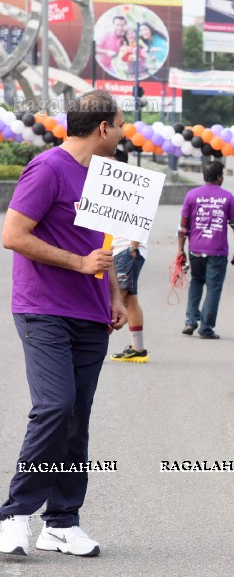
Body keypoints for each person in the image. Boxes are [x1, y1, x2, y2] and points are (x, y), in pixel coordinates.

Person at [0, 90, 128, 558]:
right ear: (102, 129)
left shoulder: (105, 176)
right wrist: (78, 265)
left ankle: (62, 521)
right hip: (43, 309)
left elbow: (103, 244)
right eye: (120, 123)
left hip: (91, 312)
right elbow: (12, 235)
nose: (123, 131)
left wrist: (113, 293)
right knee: (55, 406)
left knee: (76, 419)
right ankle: (14, 514)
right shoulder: (48, 168)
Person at [178, 160, 234, 339]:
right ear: (219, 177)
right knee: (213, 288)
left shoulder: (191, 195)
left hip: (195, 249)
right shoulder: (228, 197)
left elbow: (183, 226)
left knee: (196, 281)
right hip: (217, 251)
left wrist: (180, 250)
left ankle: (190, 321)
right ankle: (206, 328)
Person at [110, 148, 151, 363]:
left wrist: (133, 246)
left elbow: (141, 215)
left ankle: (91, 345)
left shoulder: (134, 186)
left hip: (128, 249)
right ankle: (138, 348)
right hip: (119, 248)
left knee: (119, 297)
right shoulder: (114, 185)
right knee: (130, 299)